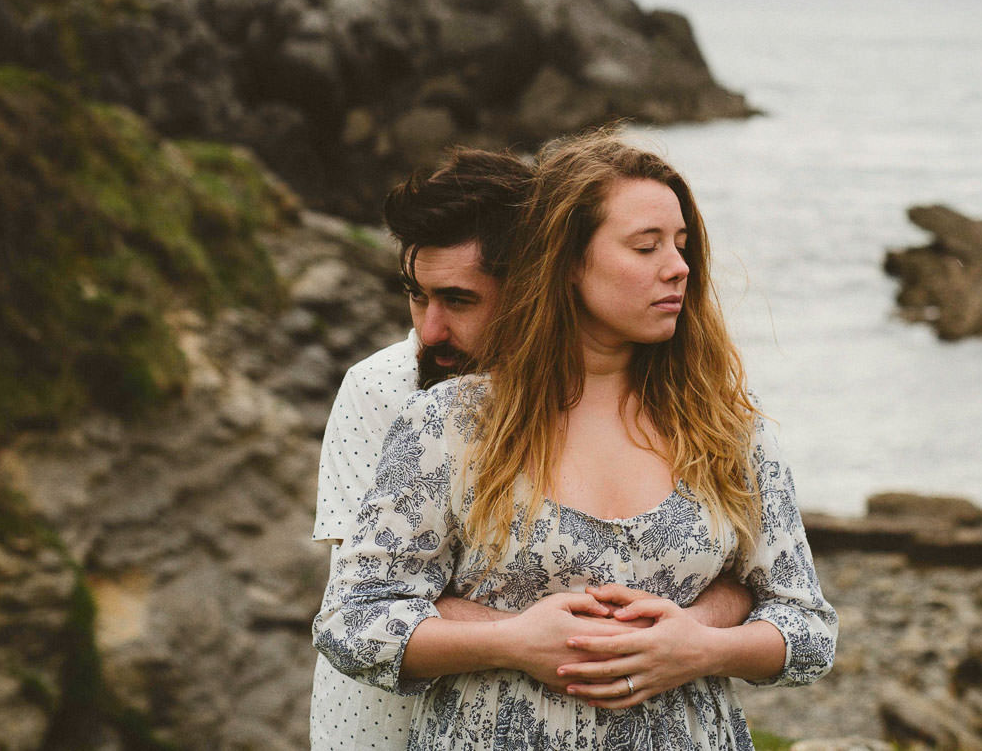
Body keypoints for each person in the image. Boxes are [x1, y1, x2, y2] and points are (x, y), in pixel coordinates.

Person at [315, 130, 836, 749]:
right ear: (566, 264)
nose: (678, 267)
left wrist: (703, 647)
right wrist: (514, 641)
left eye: (681, 244)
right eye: (645, 247)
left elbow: (808, 628)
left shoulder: (727, 431)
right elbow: (353, 619)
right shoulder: (448, 422)